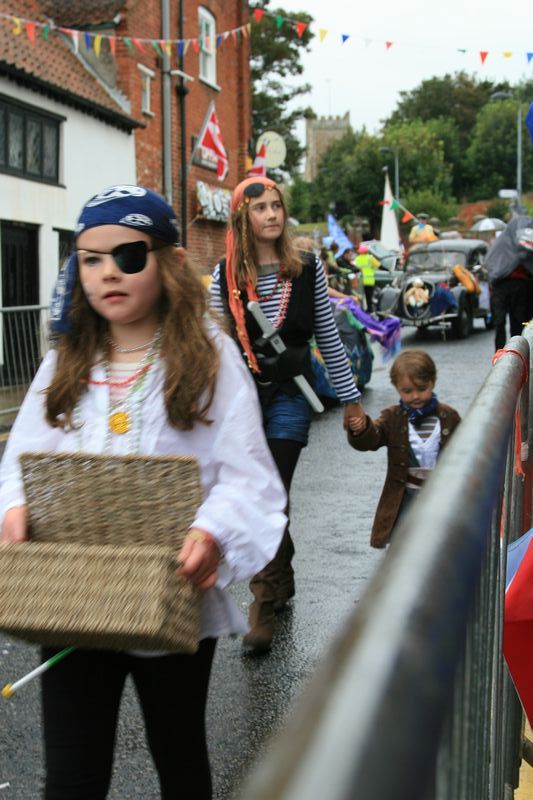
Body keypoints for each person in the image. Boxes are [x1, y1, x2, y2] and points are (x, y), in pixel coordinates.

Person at [0, 185, 287, 799]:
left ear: (168, 261)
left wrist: (212, 532)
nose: (108, 273)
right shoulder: (66, 361)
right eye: (90, 259)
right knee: (73, 775)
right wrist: (15, 506)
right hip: (72, 593)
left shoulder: (209, 359)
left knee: (179, 754)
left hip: (168, 591)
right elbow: (20, 459)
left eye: (129, 256)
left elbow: (249, 475)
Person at [209, 176, 365, 655]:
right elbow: (213, 348)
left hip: (292, 397)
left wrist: (352, 399)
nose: (272, 215)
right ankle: (280, 574)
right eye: (261, 209)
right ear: (243, 217)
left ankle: (260, 607)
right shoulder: (226, 275)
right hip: (244, 399)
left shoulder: (307, 268)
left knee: (272, 489)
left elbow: (327, 335)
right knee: (266, 496)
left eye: (277, 206)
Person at [346, 350, 460, 548]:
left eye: (422, 388)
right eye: (407, 391)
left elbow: (465, 451)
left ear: (433, 382)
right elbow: (373, 438)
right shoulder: (393, 417)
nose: (415, 396)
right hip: (406, 499)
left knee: (438, 547)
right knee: (404, 550)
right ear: (397, 388)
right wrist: (362, 428)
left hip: (441, 498)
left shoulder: (448, 416)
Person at [484, 215, 533, 350]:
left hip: (518, 285)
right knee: (501, 323)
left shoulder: (511, 239)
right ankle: (500, 353)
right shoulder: (508, 241)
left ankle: (515, 352)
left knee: (517, 324)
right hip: (504, 284)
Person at [354, 243, 379, 311]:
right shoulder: (370, 258)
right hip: (369, 280)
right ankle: (369, 310)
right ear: (367, 251)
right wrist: (388, 270)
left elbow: (354, 268)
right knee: (369, 297)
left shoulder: (357, 258)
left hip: (360, 280)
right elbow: (379, 266)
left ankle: (361, 309)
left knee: (360, 296)